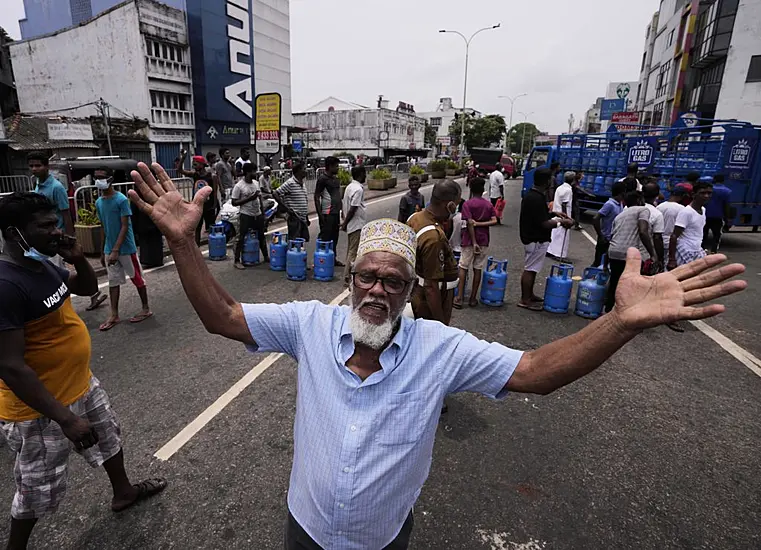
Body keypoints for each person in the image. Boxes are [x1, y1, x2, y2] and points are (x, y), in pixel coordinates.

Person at [126, 161, 745, 550]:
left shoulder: (438, 347)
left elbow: (535, 373)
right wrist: (182, 244)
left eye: (392, 282)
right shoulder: (309, 325)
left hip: (385, 539)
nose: (376, 291)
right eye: (366, 277)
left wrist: (619, 322)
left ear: (408, 289)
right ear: (351, 276)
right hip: (305, 533)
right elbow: (224, 318)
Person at [0, 192, 167, 550]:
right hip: (39, 409)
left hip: (81, 385)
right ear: (15, 234)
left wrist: (78, 259)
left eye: (55, 222)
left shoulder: (41, 263)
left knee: (109, 438)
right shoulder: (6, 285)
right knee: (36, 487)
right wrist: (65, 419)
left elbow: (88, 288)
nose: (56, 231)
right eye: (45, 226)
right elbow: (11, 367)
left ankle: (123, 493)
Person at [29, 154, 108, 312]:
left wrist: (70, 238)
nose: (34, 169)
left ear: (46, 167)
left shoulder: (56, 188)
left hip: (57, 237)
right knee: (59, 272)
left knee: (55, 275)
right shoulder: (38, 185)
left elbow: (66, 214)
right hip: (45, 238)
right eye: (31, 166)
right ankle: (93, 294)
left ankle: (64, 308)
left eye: (38, 165)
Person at [94, 167, 152, 331]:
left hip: (126, 249)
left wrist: (116, 250)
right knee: (113, 281)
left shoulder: (121, 200)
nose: (99, 180)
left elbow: (125, 226)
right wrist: (103, 251)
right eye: (96, 177)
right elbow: (103, 227)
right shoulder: (99, 202)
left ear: (111, 179)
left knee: (137, 279)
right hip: (109, 249)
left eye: (102, 177)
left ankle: (146, 308)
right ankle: (114, 314)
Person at [519, 167, 574, 311]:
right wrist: (561, 223)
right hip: (535, 239)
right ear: (546, 181)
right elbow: (543, 223)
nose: (552, 180)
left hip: (534, 237)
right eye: (551, 178)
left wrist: (555, 214)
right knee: (530, 269)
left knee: (533, 268)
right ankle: (525, 300)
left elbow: (541, 216)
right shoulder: (535, 198)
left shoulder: (535, 195)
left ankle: (529, 295)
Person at [407, 180, 460, 325]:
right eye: (456, 203)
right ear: (449, 205)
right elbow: (431, 287)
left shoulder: (415, 217)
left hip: (417, 291)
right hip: (431, 299)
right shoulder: (433, 238)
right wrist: (440, 324)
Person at [605, 189, 656, 313]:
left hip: (614, 251)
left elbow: (613, 236)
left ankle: (608, 310)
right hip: (629, 254)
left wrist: (606, 259)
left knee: (615, 281)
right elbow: (643, 231)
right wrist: (653, 254)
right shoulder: (643, 210)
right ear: (639, 200)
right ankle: (625, 312)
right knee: (630, 284)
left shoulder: (620, 215)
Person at [454, 177, 497, 309]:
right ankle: (473, 298)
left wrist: (473, 242)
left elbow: (470, 224)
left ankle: (459, 298)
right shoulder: (488, 205)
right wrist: (482, 224)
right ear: (483, 189)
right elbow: (494, 220)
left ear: (471, 189)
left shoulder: (468, 204)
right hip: (484, 239)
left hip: (468, 240)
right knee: (477, 268)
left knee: (463, 267)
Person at [668, 180, 712, 271]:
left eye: (709, 193)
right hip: (684, 251)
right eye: (702, 193)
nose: (706, 196)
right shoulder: (686, 212)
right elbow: (674, 236)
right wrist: (672, 259)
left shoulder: (703, 210)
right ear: (693, 194)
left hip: (696, 250)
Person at [232, 163, 269, 269]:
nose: (256, 173)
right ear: (248, 172)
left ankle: (266, 257)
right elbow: (234, 202)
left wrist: (263, 213)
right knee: (241, 237)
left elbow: (259, 199)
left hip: (257, 214)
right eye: (253, 171)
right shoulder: (239, 186)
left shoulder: (256, 183)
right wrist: (250, 198)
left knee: (261, 235)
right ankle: (237, 260)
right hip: (246, 215)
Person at [314, 156, 345, 267]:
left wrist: (342, 210)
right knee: (325, 237)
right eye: (336, 166)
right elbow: (317, 197)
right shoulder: (322, 179)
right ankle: (320, 259)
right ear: (330, 166)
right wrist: (320, 215)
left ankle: (333, 258)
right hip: (327, 213)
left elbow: (338, 196)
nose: (338, 168)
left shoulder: (336, 179)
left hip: (335, 212)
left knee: (334, 237)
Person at [341, 165, 367, 284]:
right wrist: (344, 223)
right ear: (361, 174)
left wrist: (344, 220)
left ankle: (349, 274)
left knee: (351, 249)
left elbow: (345, 204)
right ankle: (348, 277)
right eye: (364, 173)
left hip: (351, 223)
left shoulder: (350, 187)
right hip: (355, 223)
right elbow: (353, 208)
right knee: (353, 251)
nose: (366, 176)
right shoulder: (358, 189)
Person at [591, 180, 625, 269]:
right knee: (598, 263)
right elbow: (596, 218)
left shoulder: (620, 204)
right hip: (605, 239)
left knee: (607, 264)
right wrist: (600, 235)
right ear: (620, 194)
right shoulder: (610, 204)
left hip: (612, 239)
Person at [275, 162, 310, 243]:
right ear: (298, 171)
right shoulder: (290, 183)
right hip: (294, 216)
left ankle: (298, 255)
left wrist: (306, 216)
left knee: (301, 240)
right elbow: (276, 193)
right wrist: (286, 208)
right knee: (294, 241)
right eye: (304, 169)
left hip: (302, 217)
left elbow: (304, 200)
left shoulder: (303, 184)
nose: (306, 171)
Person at [546, 171, 575, 261]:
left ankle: (550, 251)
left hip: (557, 213)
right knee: (562, 236)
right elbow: (564, 204)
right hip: (562, 215)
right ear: (573, 180)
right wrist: (566, 218)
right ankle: (559, 254)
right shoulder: (568, 190)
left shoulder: (560, 187)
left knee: (555, 234)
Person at [191, 156, 218, 246]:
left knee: (211, 227)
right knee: (197, 228)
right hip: (197, 205)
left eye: (196, 164)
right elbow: (180, 171)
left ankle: (213, 247)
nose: (194, 166)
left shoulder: (212, 176)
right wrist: (183, 158)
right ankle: (196, 249)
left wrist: (214, 205)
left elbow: (214, 192)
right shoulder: (195, 175)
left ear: (202, 164)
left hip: (208, 206)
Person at [657, 185, 688, 260]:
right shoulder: (682, 209)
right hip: (673, 242)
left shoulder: (659, 206)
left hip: (659, 241)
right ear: (682, 196)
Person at [703, 174, 731, 253]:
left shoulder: (709, 189)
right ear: (723, 180)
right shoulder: (727, 191)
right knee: (717, 235)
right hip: (718, 216)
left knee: (704, 233)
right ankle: (713, 250)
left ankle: (702, 248)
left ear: (714, 180)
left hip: (706, 214)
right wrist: (727, 217)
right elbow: (726, 205)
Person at [642, 181, 665, 273]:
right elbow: (657, 238)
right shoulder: (657, 214)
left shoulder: (628, 207)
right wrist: (659, 258)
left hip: (625, 251)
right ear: (657, 195)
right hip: (645, 255)